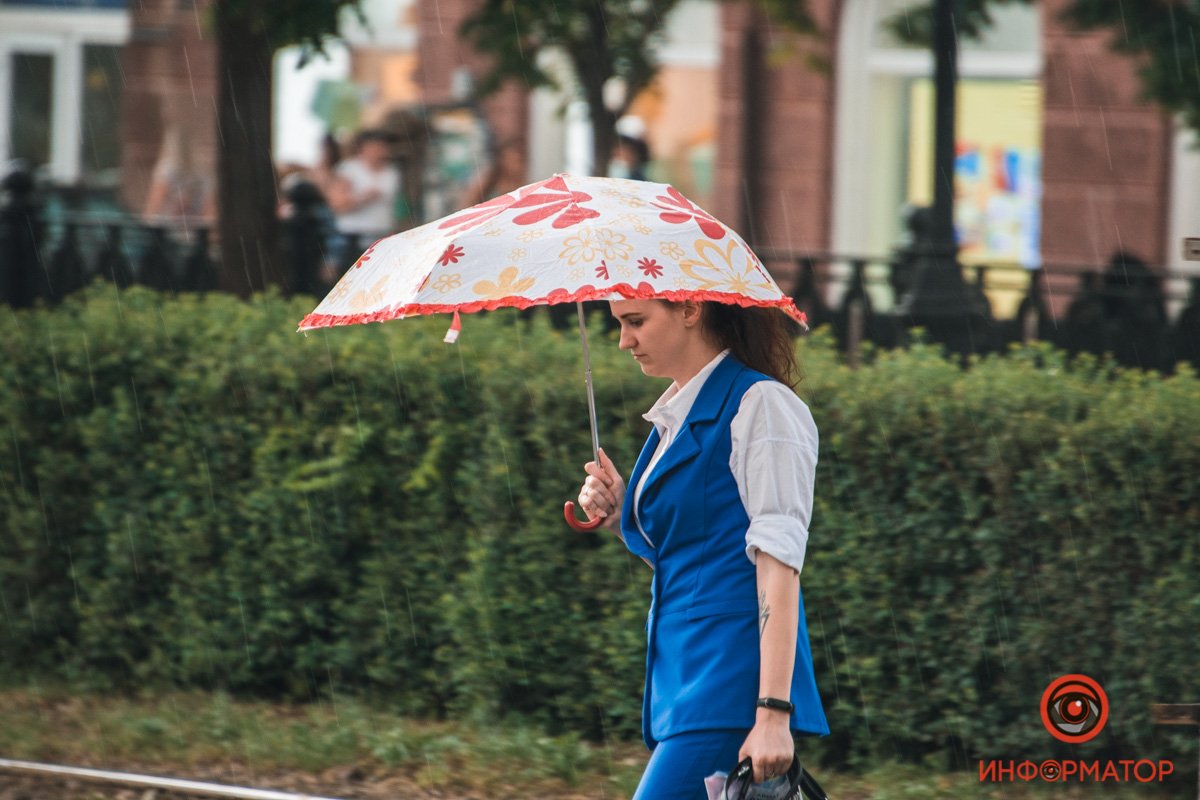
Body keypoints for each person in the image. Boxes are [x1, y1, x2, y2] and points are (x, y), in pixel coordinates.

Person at [577, 299, 828, 800]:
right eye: (619, 324)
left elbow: (779, 566)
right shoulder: (677, 414)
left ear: (690, 309)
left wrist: (773, 712)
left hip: (731, 685)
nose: (625, 341)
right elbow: (696, 559)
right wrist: (620, 514)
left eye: (635, 321)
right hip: (685, 685)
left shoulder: (762, 405)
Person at [332, 129, 400, 251]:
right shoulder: (349, 169)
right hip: (354, 234)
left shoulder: (392, 171)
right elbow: (337, 204)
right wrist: (363, 198)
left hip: (383, 233)